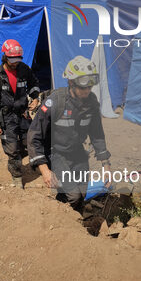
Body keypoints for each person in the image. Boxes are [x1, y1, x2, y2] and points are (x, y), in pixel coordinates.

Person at [27, 56, 111, 211]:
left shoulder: (91, 102)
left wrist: (106, 165)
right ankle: (62, 217)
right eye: (83, 87)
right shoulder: (55, 102)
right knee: (73, 195)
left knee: (82, 192)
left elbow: (97, 133)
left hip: (78, 152)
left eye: (90, 87)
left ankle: (71, 215)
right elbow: (34, 136)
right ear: (71, 83)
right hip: (56, 153)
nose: (87, 91)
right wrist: (45, 170)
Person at [0, 39, 40, 188]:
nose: (15, 62)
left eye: (17, 59)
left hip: (23, 114)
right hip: (6, 117)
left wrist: (35, 98)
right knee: (12, 148)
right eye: (12, 59)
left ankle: (16, 161)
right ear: (5, 57)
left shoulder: (24, 69)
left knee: (27, 142)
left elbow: (34, 83)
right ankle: (16, 175)